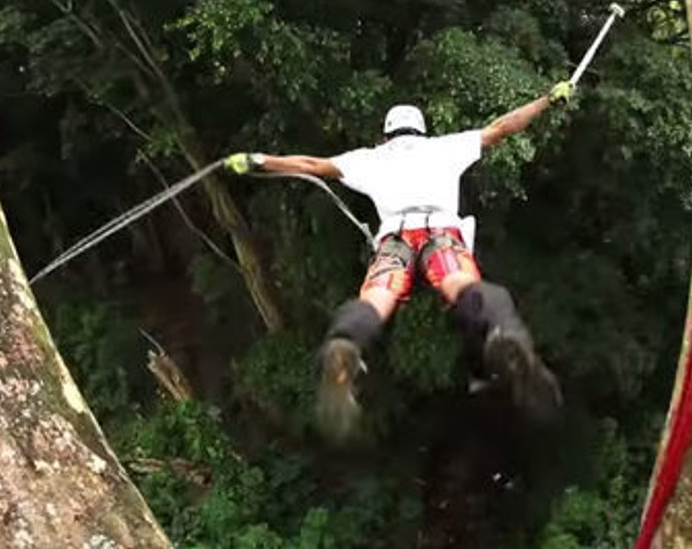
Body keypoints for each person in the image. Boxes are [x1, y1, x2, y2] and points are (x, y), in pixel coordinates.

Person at [225, 80, 573, 441]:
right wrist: (548, 100)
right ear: (421, 129)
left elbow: (310, 164)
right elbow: (502, 127)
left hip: (396, 239)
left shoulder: (370, 158)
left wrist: (260, 161)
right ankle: (504, 332)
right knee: (461, 286)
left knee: (377, 297)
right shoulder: (446, 147)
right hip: (440, 234)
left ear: (386, 135)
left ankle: (345, 343)